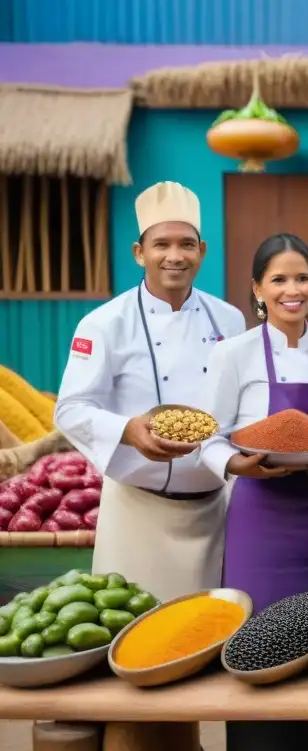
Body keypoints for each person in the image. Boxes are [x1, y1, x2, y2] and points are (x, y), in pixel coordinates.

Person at [200, 233, 308, 751]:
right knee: (261, 647)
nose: (292, 290)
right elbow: (210, 435)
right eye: (279, 280)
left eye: (302, 278)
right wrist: (235, 464)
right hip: (263, 523)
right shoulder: (232, 354)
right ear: (257, 289)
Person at [55, 180, 246, 601]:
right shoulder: (103, 323)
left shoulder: (229, 320)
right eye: (161, 245)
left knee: (206, 633)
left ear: (203, 251)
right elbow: (70, 409)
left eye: (187, 244)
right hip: (136, 514)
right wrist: (129, 429)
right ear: (139, 253)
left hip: (214, 510)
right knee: (133, 634)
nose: (175, 256)